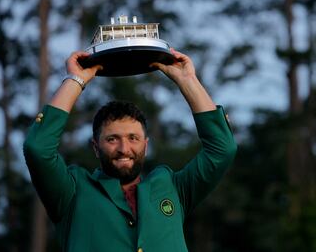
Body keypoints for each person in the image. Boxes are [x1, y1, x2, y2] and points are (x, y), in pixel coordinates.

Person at [23, 49, 237, 252]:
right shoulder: (72, 193)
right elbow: (38, 148)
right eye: (112, 139)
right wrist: (75, 80)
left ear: (146, 144)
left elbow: (222, 149)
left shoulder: (173, 188)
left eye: (133, 138)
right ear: (96, 148)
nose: (124, 149)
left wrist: (187, 80)